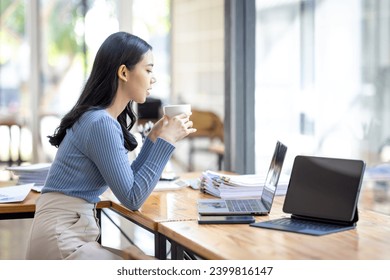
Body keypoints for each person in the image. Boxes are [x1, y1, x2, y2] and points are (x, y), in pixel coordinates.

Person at [25, 31, 196, 260]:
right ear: (124, 72)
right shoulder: (101, 123)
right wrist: (167, 141)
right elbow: (133, 198)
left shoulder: (100, 119)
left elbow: (128, 182)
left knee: (138, 257)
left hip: (65, 231)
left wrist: (154, 140)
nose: (152, 78)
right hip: (63, 240)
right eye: (148, 70)